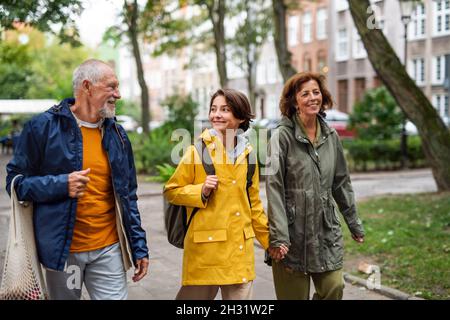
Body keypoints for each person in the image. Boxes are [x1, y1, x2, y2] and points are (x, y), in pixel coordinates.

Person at [5, 59, 149, 300]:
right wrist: (61, 184)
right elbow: (15, 183)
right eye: (111, 87)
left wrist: (138, 246)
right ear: (87, 86)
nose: (118, 94)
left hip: (109, 249)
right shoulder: (42, 127)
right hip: (63, 251)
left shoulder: (117, 134)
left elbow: (128, 195)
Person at [164, 89, 283, 300]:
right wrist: (200, 190)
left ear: (241, 117)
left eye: (225, 110)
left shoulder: (249, 157)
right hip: (206, 253)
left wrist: (269, 241)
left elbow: (253, 205)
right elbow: (171, 191)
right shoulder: (197, 151)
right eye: (213, 109)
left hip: (239, 253)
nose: (216, 114)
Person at [265, 72, 365, 300]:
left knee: (334, 287)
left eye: (316, 92)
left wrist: (354, 223)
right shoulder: (280, 137)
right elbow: (274, 189)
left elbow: (341, 183)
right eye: (305, 93)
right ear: (293, 101)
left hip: (324, 231)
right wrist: (279, 237)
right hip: (291, 234)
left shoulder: (331, 136)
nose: (312, 98)